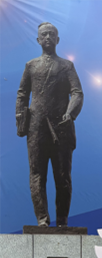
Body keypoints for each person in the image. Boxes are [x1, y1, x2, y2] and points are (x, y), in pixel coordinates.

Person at [16, 22, 84, 227]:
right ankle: (42, 220)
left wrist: (70, 113)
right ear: (38, 40)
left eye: (51, 34)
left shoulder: (66, 66)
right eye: (44, 34)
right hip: (36, 128)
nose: (48, 37)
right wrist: (21, 119)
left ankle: (62, 221)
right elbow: (22, 94)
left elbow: (77, 93)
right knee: (37, 174)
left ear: (58, 39)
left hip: (61, 128)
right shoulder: (31, 66)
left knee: (63, 177)